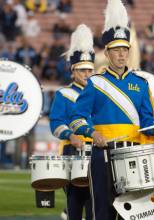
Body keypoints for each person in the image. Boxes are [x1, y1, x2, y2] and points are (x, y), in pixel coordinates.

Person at [68, 0, 154, 219]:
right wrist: (92, 133)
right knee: (102, 212)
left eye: (125, 49)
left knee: (131, 214)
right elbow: (76, 118)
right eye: (117, 50)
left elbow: (146, 121)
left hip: (132, 154)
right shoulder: (95, 83)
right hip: (102, 154)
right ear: (107, 52)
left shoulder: (141, 83)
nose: (122, 54)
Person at [49, 24, 95, 220]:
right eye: (82, 70)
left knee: (96, 204)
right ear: (73, 71)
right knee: (75, 203)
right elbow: (56, 123)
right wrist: (70, 135)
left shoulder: (98, 94)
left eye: (89, 70)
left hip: (98, 152)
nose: (87, 74)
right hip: (72, 152)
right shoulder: (64, 94)